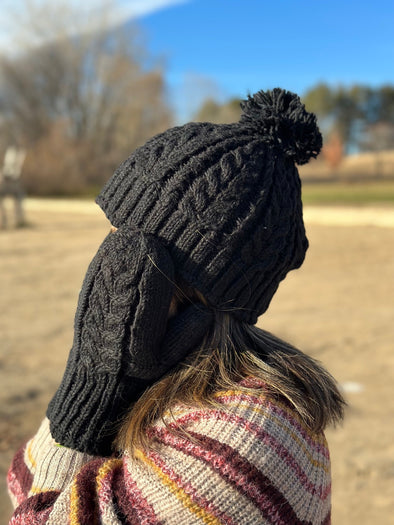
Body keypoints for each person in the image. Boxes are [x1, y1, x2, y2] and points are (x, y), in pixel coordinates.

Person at [7, 89, 345, 524]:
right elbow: (23, 481)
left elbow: (36, 510)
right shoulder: (164, 373)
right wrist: (104, 385)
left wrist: (90, 386)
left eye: (125, 240)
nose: (106, 263)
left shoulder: (236, 449)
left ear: (184, 280)